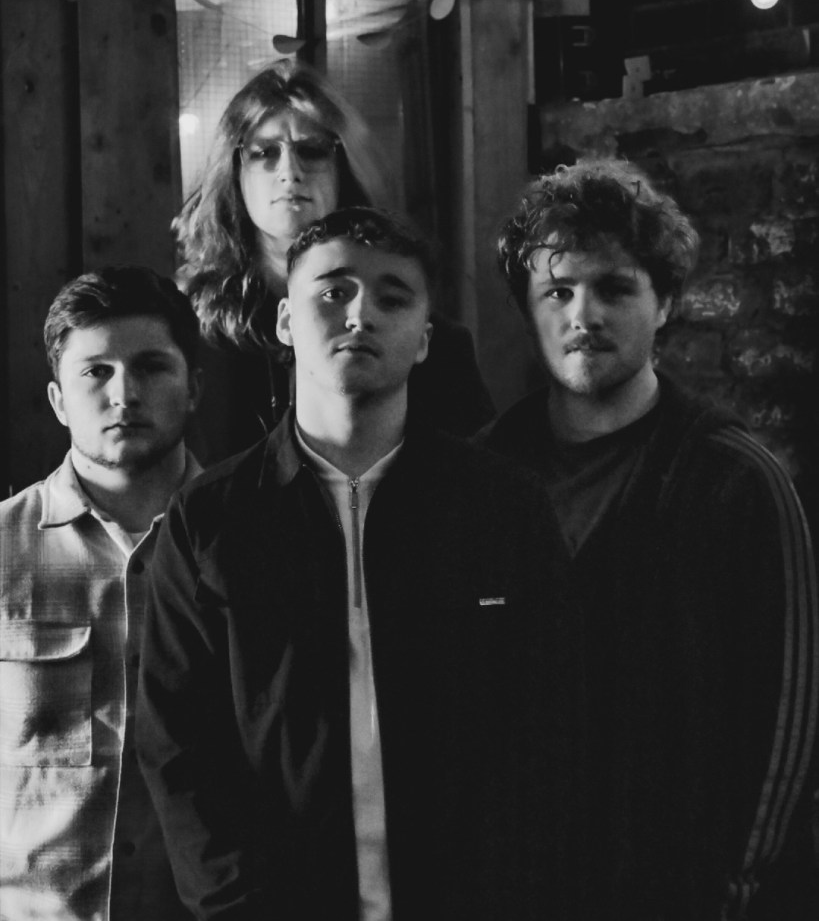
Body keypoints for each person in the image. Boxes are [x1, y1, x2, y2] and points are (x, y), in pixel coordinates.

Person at [136, 207, 581, 921]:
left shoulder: (501, 507)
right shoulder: (210, 518)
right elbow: (178, 746)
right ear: (286, 321)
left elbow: (549, 727)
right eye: (333, 291)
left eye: (392, 297)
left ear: (425, 338)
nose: (360, 313)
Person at [483, 158, 818, 920]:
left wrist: (735, 885)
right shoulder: (485, 477)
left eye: (613, 288)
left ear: (663, 303)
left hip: (686, 892)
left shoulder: (735, 479)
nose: (583, 314)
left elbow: (789, 711)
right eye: (558, 291)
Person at [0, 266, 202, 921]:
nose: (125, 393)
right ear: (58, 400)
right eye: (96, 372)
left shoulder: (252, 544)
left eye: (151, 367)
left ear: (194, 388)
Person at [175, 59, 495, 463]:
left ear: (344, 166)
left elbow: (477, 475)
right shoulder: (192, 331)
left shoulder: (426, 338)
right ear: (235, 168)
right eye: (265, 152)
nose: (290, 172)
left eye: (311, 151)